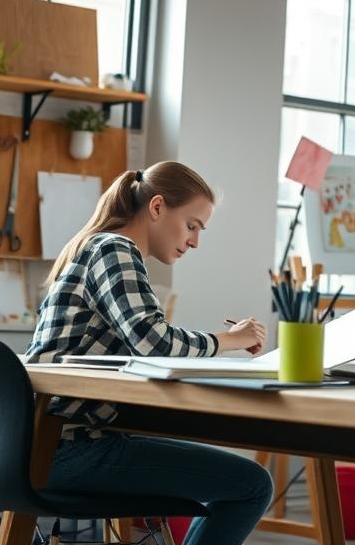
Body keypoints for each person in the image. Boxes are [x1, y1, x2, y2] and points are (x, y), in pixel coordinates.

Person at [26, 162, 272, 545]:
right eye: (192, 225)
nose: (195, 242)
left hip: (45, 442)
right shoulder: (115, 249)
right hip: (68, 449)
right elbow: (153, 342)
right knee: (253, 483)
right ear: (157, 207)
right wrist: (231, 339)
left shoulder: (97, 248)